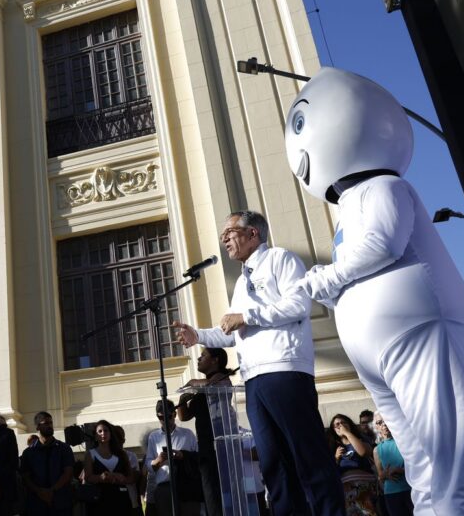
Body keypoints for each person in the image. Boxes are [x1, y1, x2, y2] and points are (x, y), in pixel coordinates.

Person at [284, 67, 464, 514]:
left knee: (449, 458)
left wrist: (324, 279)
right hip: (380, 349)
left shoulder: (385, 186)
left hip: (419, 333)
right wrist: (330, 288)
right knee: (420, 460)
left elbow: (383, 244)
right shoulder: (348, 208)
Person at [173, 210, 345, 515]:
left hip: (285, 370)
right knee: (274, 464)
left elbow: (298, 305)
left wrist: (247, 316)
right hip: (253, 379)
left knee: (308, 457)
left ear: (253, 233)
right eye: (223, 235)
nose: (224, 240)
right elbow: (231, 330)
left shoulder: (281, 259)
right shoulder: (242, 282)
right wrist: (197, 334)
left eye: (229, 233)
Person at [176, 347, 236, 516]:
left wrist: (191, 382)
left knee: (220, 490)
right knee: (210, 492)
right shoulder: (201, 389)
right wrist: (182, 399)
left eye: (203, 355)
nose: (198, 359)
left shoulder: (222, 378)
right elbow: (184, 416)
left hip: (220, 443)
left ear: (215, 360)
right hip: (205, 445)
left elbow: (211, 385)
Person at [145, 399, 199, 516]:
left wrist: (183, 455)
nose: (165, 420)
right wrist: (158, 460)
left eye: (168, 416)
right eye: (161, 417)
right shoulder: (154, 437)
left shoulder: (187, 434)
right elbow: (148, 464)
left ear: (174, 414)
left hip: (187, 485)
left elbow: (198, 458)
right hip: (165, 487)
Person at [19, 411, 74, 516]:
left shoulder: (64, 448)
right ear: (38, 427)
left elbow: (68, 472)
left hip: (61, 502)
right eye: (46, 423)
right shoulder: (28, 453)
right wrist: (40, 492)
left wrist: (52, 491)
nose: (50, 426)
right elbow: (25, 477)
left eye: (51, 423)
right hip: (37, 504)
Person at [328, 414, 379, 515]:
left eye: (343, 422)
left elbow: (363, 452)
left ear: (350, 425)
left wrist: (347, 433)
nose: (340, 425)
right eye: (337, 424)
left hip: (365, 487)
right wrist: (336, 458)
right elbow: (331, 471)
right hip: (346, 490)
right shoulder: (333, 447)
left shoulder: (360, 440)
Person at [372, 413, 413, 516]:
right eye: (379, 422)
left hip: (411, 489)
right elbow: (380, 476)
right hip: (391, 493)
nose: (384, 424)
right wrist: (385, 474)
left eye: (386, 420)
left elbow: (417, 467)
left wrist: (401, 470)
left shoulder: (404, 442)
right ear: (376, 427)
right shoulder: (377, 450)